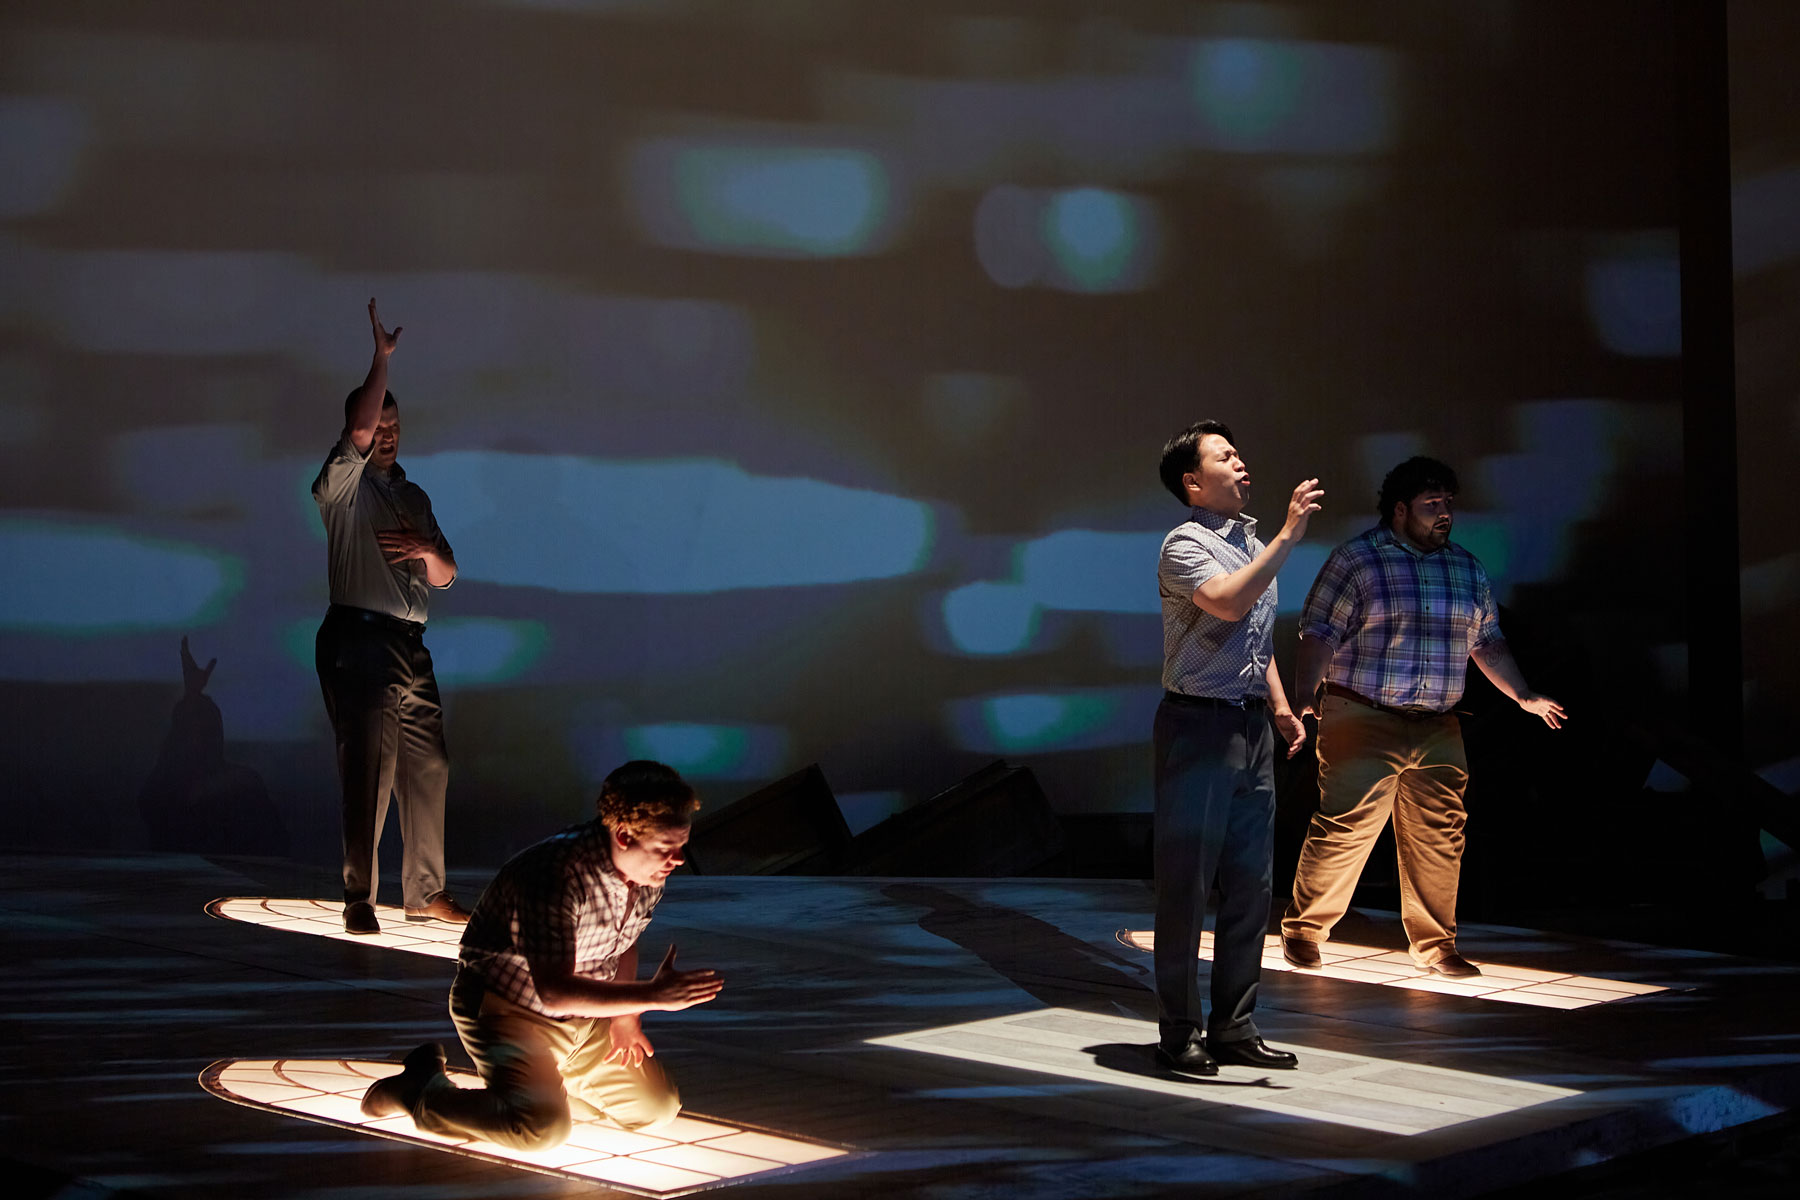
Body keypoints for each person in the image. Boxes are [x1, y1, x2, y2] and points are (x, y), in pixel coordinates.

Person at [1280, 456, 1566, 977]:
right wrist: (1305, 694)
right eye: (1431, 504)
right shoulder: (1357, 560)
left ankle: (1436, 946)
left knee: (1441, 834)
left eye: (1448, 504)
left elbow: (1486, 641)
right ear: (1400, 509)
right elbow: (1320, 631)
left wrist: (1523, 694)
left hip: (1438, 721)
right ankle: (1304, 930)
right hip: (1362, 713)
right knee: (1346, 828)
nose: (1444, 514)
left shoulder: (1465, 567)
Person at [360, 761, 725, 1147]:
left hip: (584, 1017)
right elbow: (554, 991)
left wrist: (625, 1019)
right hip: (509, 1011)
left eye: (681, 846)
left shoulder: (647, 872)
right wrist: (652, 996)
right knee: (541, 1130)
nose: (678, 860)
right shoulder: (556, 874)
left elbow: (625, 943)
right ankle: (421, 1092)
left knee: (657, 1110)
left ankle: (550, 1088)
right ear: (623, 835)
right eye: (667, 848)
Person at [1152, 421, 1321, 1076]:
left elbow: (1256, 634)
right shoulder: (1182, 544)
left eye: (1238, 452)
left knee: (1252, 883)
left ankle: (1235, 1024)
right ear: (1194, 481)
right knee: (1187, 886)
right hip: (1196, 728)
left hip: (1249, 726)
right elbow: (1225, 604)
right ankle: (1178, 1032)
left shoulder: (1248, 541)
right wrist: (1286, 536)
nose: (1240, 462)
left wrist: (1279, 707)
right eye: (1224, 456)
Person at [313, 299, 466, 934]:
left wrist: (429, 550)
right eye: (380, 423)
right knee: (368, 772)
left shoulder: (413, 493)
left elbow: (447, 573)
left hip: (411, 644)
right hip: (360, 638)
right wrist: (381, 359)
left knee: (428, 766)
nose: (388, 432)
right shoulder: (345, 487)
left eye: (396, 424)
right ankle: (359, 896)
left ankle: (425, 891)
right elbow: (356, 428)